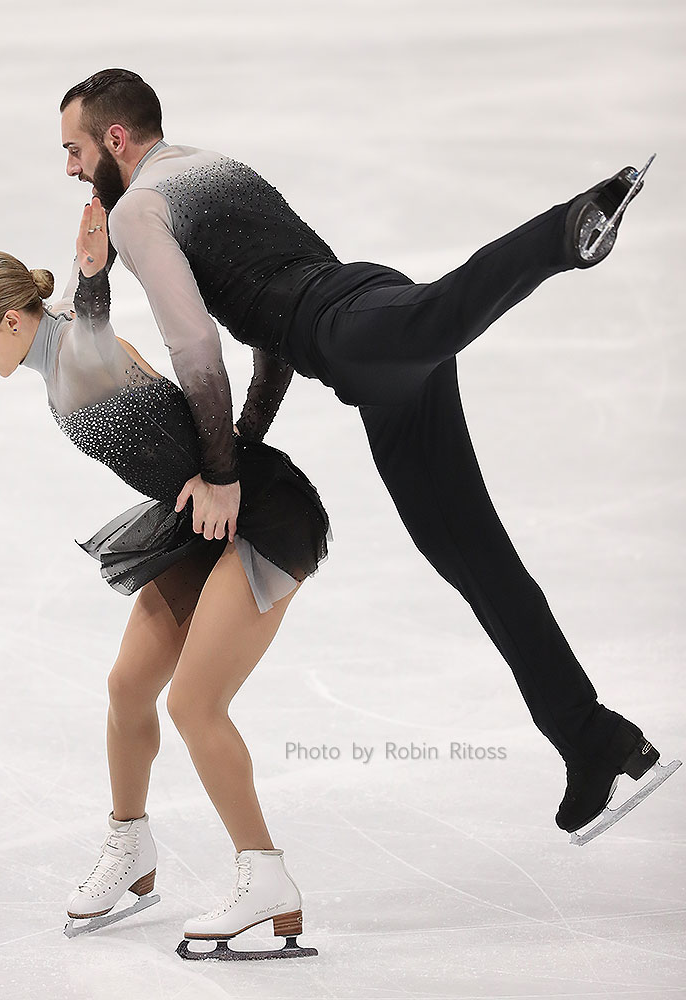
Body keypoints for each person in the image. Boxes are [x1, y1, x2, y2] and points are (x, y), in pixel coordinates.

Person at [57, 68, 678, 842]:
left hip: (354, 333)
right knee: (467, 552)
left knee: (440, 314)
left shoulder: (137, 211)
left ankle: (571, 229)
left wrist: (221, 472)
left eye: (76, 150)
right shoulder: (211, 166)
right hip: (365, 312)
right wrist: (244, 441)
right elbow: (267, 332)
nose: (72, 169)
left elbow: (194, 347)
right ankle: (593, 740)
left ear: (116, 138)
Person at [0, 198, 326, 960]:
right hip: (199, 520)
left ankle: (267, 876)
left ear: (10, 321)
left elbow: (90, 315)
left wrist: (94, 273)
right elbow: (80, 314)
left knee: (194, 704)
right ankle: (131, 846)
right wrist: (88, 268)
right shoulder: (55, 347)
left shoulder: (78, 348)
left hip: (264, 517)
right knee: (128, 687)